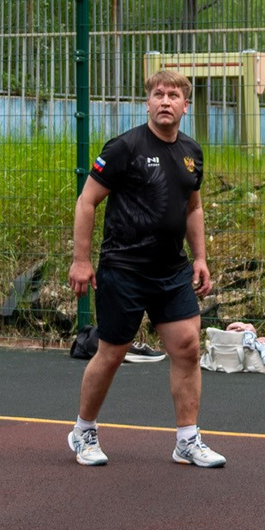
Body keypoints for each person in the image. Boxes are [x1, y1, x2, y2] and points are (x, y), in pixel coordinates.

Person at [66, 69, 225, 469]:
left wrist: (201, 257)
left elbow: (194, 207)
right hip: (125, 267)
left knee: (188, 347)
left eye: (174, 95)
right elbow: (87, 202)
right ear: (148, 102)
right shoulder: (124, 148)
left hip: (171, 270)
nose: (166, 101)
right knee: (112, 352)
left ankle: (187, 441)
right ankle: (83, 431)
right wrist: (81, 261)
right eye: (158, 94)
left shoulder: (192, 151)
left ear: (185, 105)